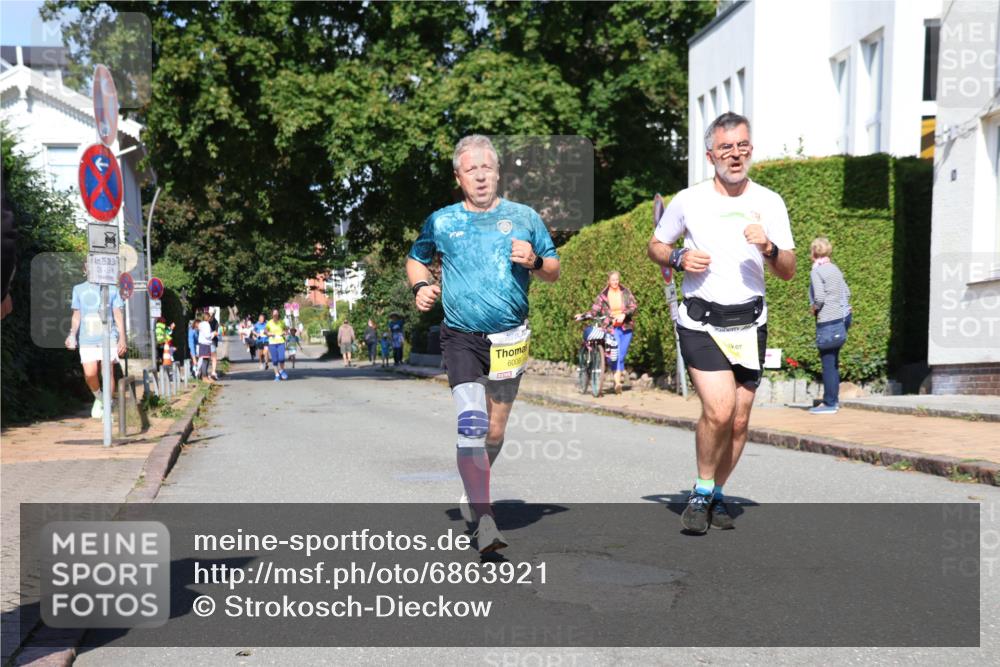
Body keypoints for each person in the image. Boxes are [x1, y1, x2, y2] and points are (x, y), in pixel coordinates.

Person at [407, 134, 560, 553]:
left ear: (498, 173)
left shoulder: (525, 217)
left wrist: (536, 261)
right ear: (459, 176)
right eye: (471, 169)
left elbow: (554, 270)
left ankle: (474, 490)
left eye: (487, 167)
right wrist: (421, 284)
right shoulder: (442, 221)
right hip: (461, 336)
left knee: (494, 430)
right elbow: (416, 257)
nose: (480, 175)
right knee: (472, 424)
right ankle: (485, 518)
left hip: (511, 338)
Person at [648, 112, 796, 534]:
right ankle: (699, 492)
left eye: (742, 146)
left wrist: (767, 246)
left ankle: (715, 493)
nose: (735, 155)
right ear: (711, 154)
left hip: (750, 321)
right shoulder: (689, 199)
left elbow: (787, 269)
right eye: (726, 148)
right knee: (719, 408)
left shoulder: (769, 202)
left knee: (740, 419)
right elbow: (656, 245)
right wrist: (677, 258)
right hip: (700, 319)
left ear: (751, 149)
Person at [65, 267, 128, 418]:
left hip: (108, 336)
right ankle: (100, 398)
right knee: (90, 373)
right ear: (85, 268)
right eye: (88, 264)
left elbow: (118, 315)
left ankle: (107, 408)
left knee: (108, 371)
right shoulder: (78, 289)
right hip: (87, 338)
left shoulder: (111, 289)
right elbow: (76, 315)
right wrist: (72, 334)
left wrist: (122, 337)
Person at [808, 237, 851, 414]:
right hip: (843, 317)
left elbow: (819, 298)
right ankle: (833, 401)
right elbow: (847, 292)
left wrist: (813, 309)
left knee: (828, 363)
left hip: (828, 320)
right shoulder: (835, 269)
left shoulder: (816, 272)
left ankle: (829, 403)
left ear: (813, 253)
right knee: (833, 362)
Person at [582, 271, 638, 394]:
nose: (615, 282)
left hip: (626, 327)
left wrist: (624, 314)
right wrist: (583, 315)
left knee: (622, 355)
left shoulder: (625, 292)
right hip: (612, 328)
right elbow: (595, 311)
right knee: (616, 353)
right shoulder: (603, 295)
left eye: (617, 280)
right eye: (613, 280)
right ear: (608, 281)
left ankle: (615, 374)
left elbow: (633, 306)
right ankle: (618, 383)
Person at [266, 308, 288, 381]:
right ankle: (277, 375)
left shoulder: (281, 322)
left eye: (277, 313)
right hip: (272, 343)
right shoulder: (269, 323)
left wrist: (284, 332)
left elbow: (286, 330)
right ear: (272, 314)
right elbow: (265, 331)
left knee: (281, 358)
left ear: (278, 314)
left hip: (281, 342)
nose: (275, 315)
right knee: (275, 360)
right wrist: (269, 333)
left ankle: (281, 371)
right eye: (274, 313)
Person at [197, 312, 214, 380]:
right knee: (205, 360)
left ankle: (203, 375)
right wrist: (213, 334)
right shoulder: (206, 324)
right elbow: (207, 335)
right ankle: (204, 377)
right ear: (208, 317)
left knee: (205, 360)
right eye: (209, 317)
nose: (210, 318)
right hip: (205, 344)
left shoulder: (201, 324)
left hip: (202, 344)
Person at [208, 310, 220, 380]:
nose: (210, 315)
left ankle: (213, 372)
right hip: (207, 341)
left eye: (211, 314)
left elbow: (216, 332)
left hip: (212, 341)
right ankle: (206, 373)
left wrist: (212, 335)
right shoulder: (206, 322)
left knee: (213, 357)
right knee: (207, 357)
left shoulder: (215, 322)